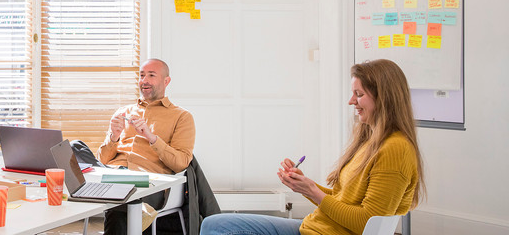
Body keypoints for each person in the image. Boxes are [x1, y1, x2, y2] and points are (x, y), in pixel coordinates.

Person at [201, 59, 425, 235]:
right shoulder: (371, 141)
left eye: (359, 94)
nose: (351, 101)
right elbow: (343, 199)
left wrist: (314, 192)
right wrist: (305, 186)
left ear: (384, 98)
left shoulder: (395, 149)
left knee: (217, 227)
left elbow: (367, 223)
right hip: (316, 227)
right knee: (214, 223)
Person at [98, 58, 196, 235]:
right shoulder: (123, 113)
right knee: (75, 150)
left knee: (121, 199)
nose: (144, 80)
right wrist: (114, 136)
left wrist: (151, 138)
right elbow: (102, 160)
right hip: (113, 174)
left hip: (149, 183)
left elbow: (181, 163)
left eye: (151, 75)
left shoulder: (182, 117)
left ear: (166, 81)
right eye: (142, 75)